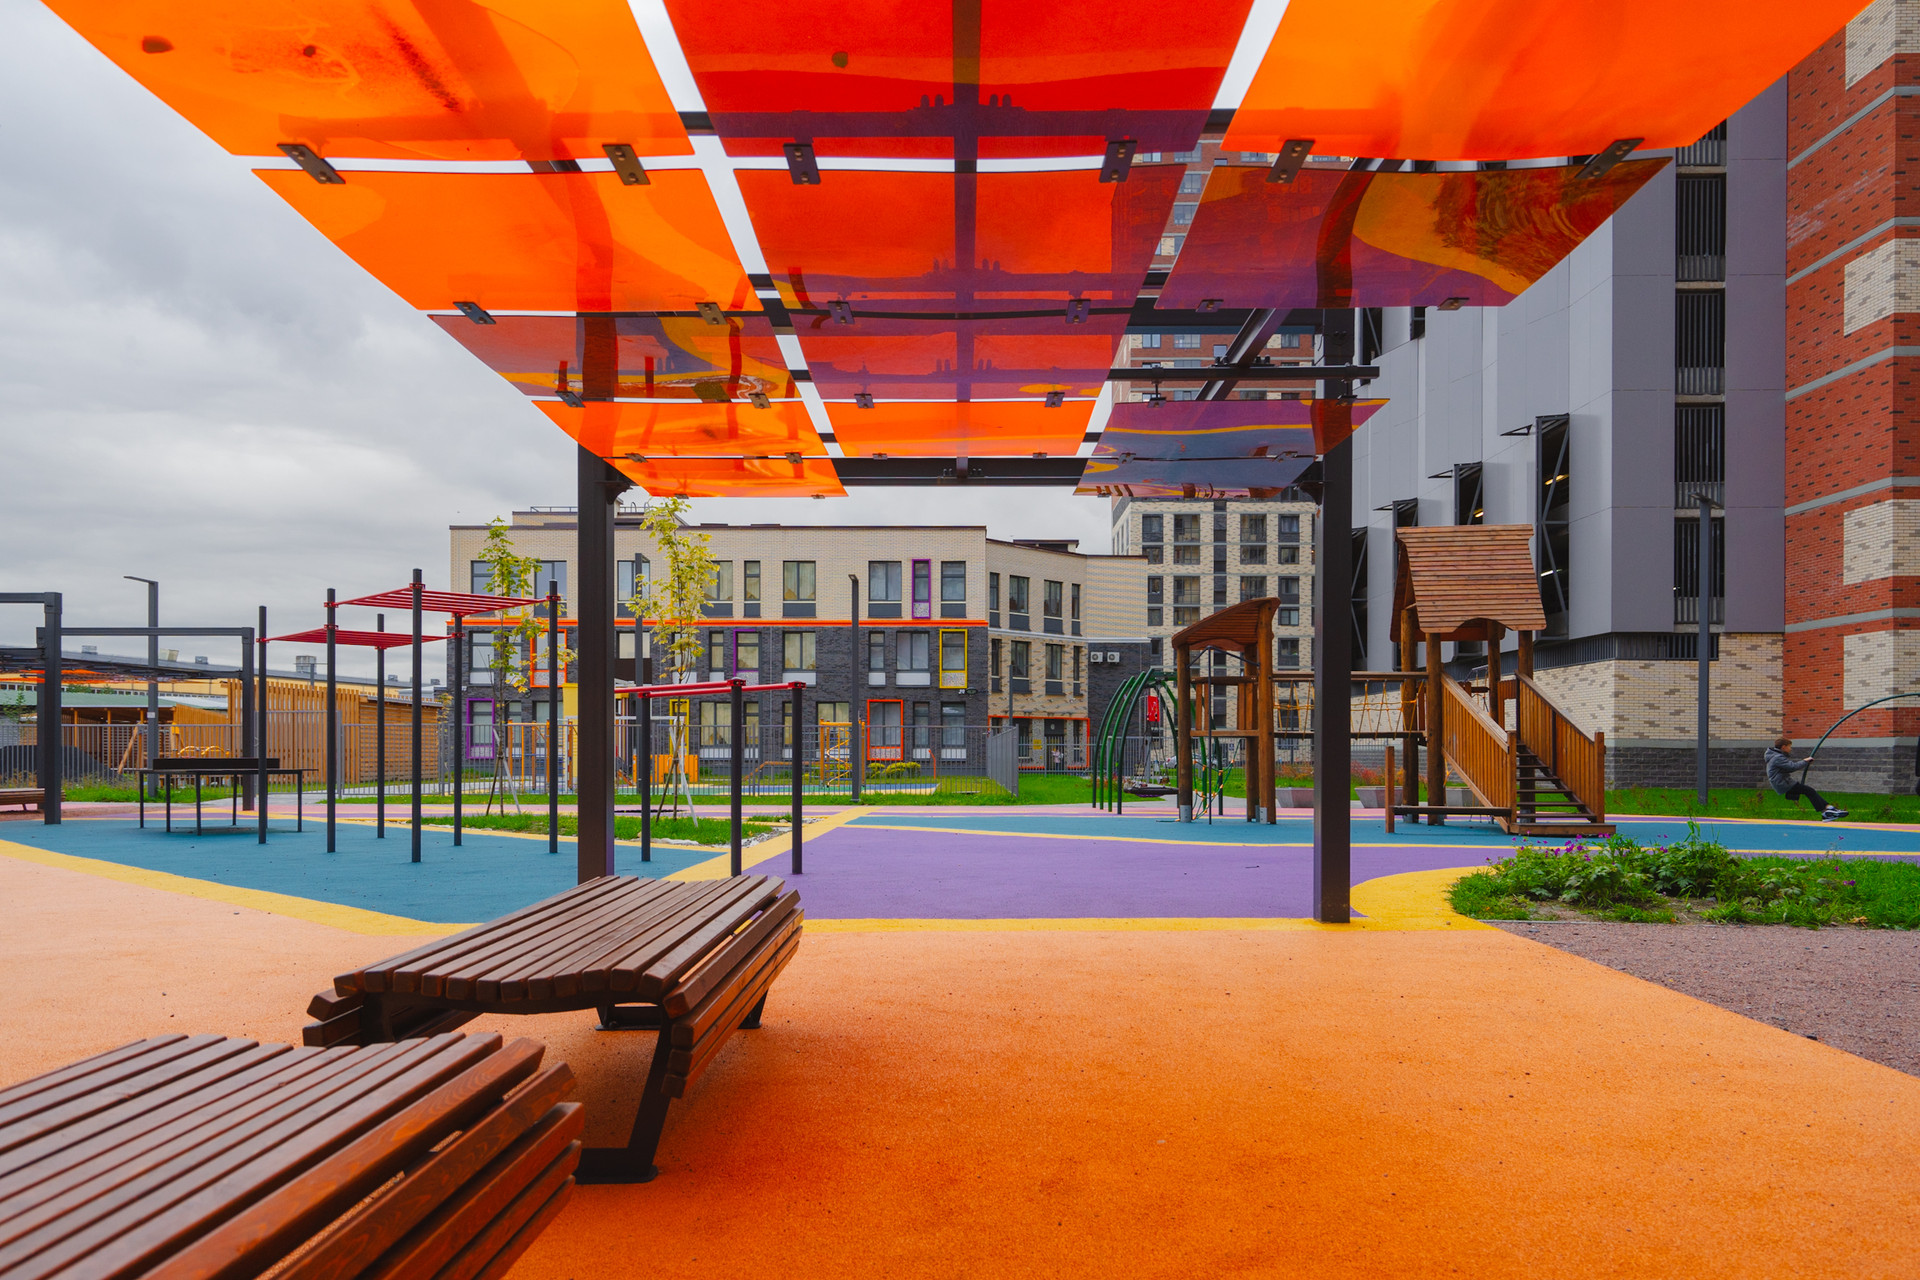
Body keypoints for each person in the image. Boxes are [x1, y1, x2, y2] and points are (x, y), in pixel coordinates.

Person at [1764, 737, 1847, 821]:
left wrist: (1805, 762)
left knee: (1809, 791)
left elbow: (1787, 768)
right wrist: (1805, 761)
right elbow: (1792, 767)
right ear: (1783, 747)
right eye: (1789, 746)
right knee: (1809, 791)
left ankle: (1827, 810)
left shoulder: (1775, 756)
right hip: (1783, 783)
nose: (1790, 749)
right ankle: (1826, 810)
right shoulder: (1777, 757)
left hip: (1782, 782)